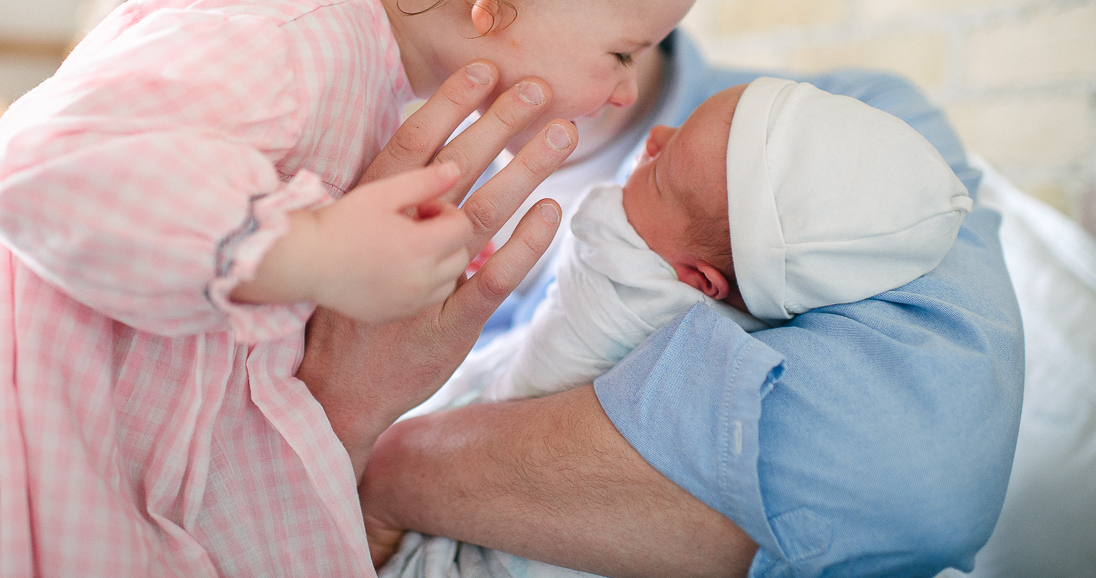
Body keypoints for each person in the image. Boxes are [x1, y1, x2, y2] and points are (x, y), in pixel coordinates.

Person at [0, 0, 719, 574]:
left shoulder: (364, 80)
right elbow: (37, 160)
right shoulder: (291, 37)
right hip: (21, 491)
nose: (622, 89)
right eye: (623, 51)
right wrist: (312, 249)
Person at [340, 26, 1024, 577]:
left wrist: (398, 469)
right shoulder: (400, 159)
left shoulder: (854, 141)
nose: (651, 145)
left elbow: (918, 482)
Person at [409, 76, 973, 418]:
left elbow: (514, 398)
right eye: (680, 125)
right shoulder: (728, 279)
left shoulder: (633, 291)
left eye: (658, 174)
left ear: (701, 282)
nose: (654, 137)